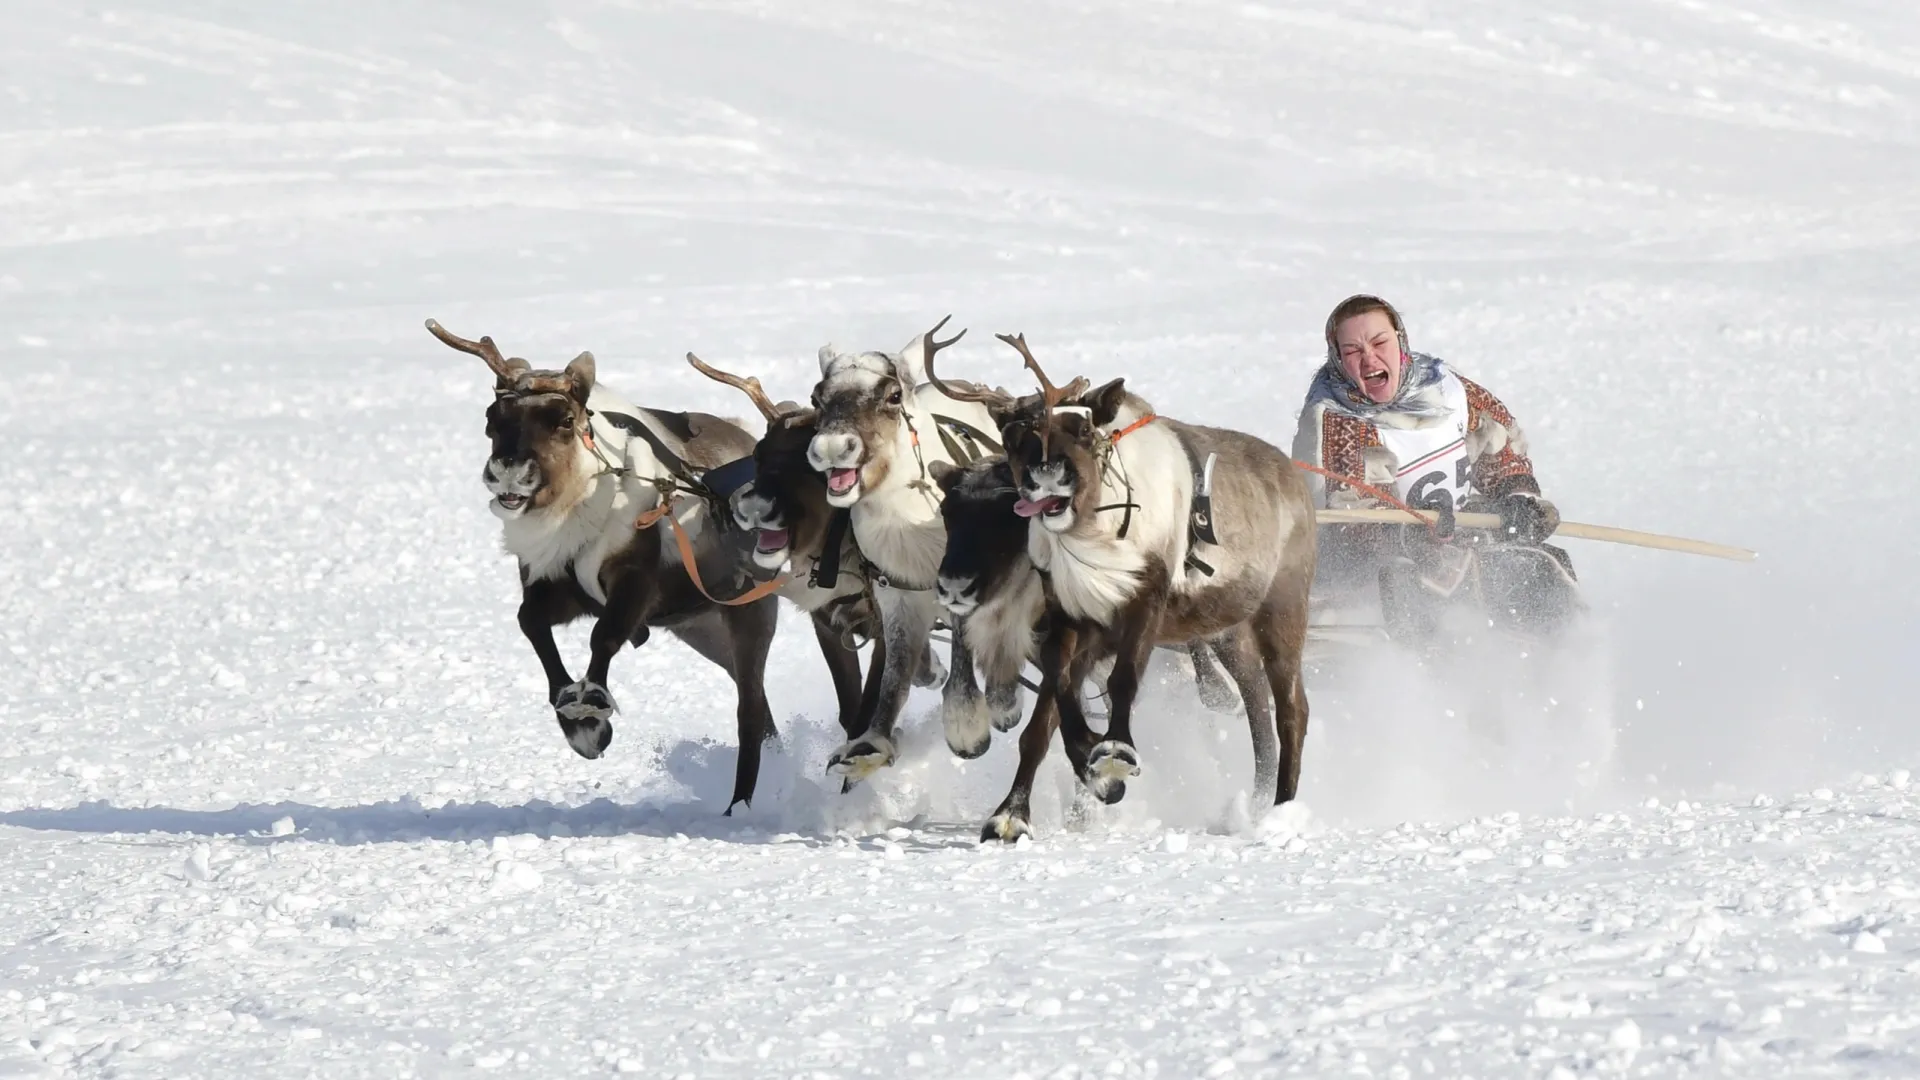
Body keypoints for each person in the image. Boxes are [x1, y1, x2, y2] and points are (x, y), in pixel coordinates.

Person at [1291, 294, 1581, 647]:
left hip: (1459, 540)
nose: (1369, 358)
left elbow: (1500, 444)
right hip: (1375, 570)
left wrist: (1516, 500)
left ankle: (1566, 668)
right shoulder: (1339, 421)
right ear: (1338, 360)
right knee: (1407, 585)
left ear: (1401, 341)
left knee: (1544, 568)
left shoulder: (1444, 388)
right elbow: (1356, 514)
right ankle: (1425, 687)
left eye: (1379, 342)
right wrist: (1413, 531)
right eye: (1352, 351)